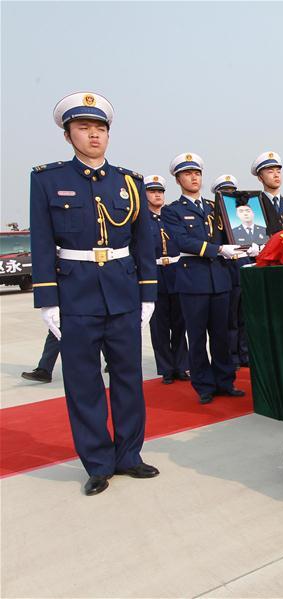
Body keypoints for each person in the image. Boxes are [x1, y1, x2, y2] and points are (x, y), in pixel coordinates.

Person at [30, 92, 159, 495]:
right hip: (76, 292)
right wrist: (47, 299)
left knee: (128, 377)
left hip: (121, 291)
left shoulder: (129, 183)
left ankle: (129, 456)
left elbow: (144, 242)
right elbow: (41, 239)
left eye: (100, 129)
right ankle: (98, 463)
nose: (94, 136)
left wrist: (148, 293)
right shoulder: (48, 179)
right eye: (84, 128)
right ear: (68, 135)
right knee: (83, 383)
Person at [162, 153, 246, 404]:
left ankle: (225, 381)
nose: (194, 178)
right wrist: (218, 249)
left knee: (222, 335)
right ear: (178, 179)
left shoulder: (214, 208)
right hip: (193, 279)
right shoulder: (172, 211)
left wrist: (245, 245)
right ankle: (204, 385)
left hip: (219, 278)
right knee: (197, 337)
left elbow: (230, 234)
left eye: (197, 173)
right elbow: (181, 240)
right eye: (188, 174)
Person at [146, 174, 189, 384]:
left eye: (160, 191)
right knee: (159, 326)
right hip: (155, 274)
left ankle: (182, 365)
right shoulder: (141, 221)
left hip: (175, 271)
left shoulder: (171, 215)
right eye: (153, 191)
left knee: (180, 323)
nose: (157, 195)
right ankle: (166, 368)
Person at [213, 175, 253, 369]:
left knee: (244, 318)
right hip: (226, 271)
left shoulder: (243, 217)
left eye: (232, 191)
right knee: (230, 320)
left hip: (243, 270)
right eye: (225, 192)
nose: (229, 195)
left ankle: (245, 353)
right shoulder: (214, 219)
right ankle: (233, 356)